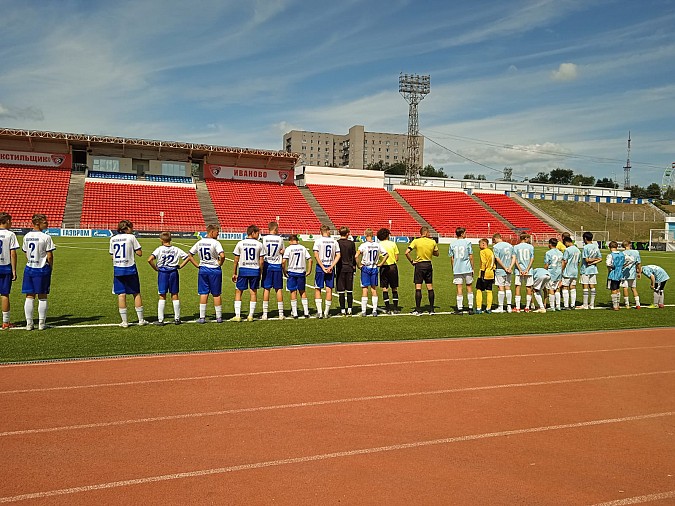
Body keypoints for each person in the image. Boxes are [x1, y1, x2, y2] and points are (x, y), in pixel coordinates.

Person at [147, 231, 190, 325]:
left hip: (163, 273)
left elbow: (149, 259)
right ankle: (177, 319)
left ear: (161, 240)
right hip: (173, 272)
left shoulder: (159, 249)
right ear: (171, 239)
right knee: (175, 294)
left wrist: (155, 268)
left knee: (162, 295)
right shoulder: (176, 249)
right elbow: (188, 257)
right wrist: (180, 266)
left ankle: (160, 320)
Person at [109, 219, 146, 328]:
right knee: (136, 293)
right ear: (127, 228)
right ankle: (141, 320)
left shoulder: (113, 239)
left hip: (118, 269)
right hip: (130, 268)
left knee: (121, 294)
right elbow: (139, 253)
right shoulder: (131, 237)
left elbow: (112, 256)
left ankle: (124, 322)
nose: (133, 229)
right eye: (132, 227)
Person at [188, 224, 225, 323]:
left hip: (203, 269)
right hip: (214, 270)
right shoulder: (215, 243)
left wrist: (197, 265)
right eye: (217, 232)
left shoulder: (200, 242)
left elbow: (190, 255)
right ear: (211, 232)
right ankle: (219, 317)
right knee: (216, 294)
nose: (218, 234)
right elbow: (222, 255)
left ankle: (202, 317)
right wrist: (220, 263)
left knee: (203, 293)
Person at [231, 224, 265, 322]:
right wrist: (261, 272)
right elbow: (261, 261)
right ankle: (250, 315)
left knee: (238, 291)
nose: (259, 235)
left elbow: (236, 260)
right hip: (255, 270)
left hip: (243, 270)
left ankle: (237, 316)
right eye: (258, 233)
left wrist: (234, 272)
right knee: (253, 292)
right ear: (253, 233)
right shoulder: (259, 244)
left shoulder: (240, 243)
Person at [405, 226, 439, 315]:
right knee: (430, 287)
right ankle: (431, 309)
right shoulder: (432, 242)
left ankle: (418, 309)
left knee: (418, 287)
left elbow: (406, 252)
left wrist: (412, 261)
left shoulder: (416, 241)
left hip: (419, 265)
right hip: (428, 264)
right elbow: (437, 254)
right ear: (426, 232)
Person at [355, 228, 388, 316]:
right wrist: (381, 263)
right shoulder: (377, 245)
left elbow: (356, 256)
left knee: (365, 289)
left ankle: (364, 311)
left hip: (365, 268)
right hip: (374, 268)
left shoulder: (363, 245)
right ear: (372, 235)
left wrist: (359, 265)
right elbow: (386, 254)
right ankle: (374, 310)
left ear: (365, 235)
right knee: (374, 289)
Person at [313, 224, 340, 318]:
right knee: (329, 289)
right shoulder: (334, 241)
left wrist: (322, 267)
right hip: (330, 267)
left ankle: (320, 312)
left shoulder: (318, 241)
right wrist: (331, 266)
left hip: (321, 267)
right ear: (328, 231)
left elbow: (316, 255)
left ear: (321, 232)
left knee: (318, 288)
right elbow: (338, 255)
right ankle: (326, 312)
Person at [282, 234, 313, 319]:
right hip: (301, 272)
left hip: (292, 272)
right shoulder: (303, 248)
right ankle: (306, 312)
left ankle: (295, 313)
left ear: (290, 241)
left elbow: (283, 261)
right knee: (302, 291)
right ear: (297, 240)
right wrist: (309, 270)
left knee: (293, 291)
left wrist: (284, 271)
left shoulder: (288, 248)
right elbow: (310, 260)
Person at [261, 222, 285, 320]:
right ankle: (280, 313)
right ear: (275, 229)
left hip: (267, 264)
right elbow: (283, 251)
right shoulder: (280, 239)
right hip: (277, 265)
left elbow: (261, 252)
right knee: (278, 289)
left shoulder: (264, 238)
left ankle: (265, 314)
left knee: (267, 289)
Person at [449, 227, 474, 314]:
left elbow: (452, 258)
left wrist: (453, 268)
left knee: (459, 287)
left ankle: (460, 309)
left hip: (457, 269)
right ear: (462, 234)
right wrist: (472, 268)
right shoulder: (468, 243)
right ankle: (470, 308)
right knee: (469, 287)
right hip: (467, 268)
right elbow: (471, 257)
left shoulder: (452, 244)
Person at [0, 213, 18, 330]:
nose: (11, 223)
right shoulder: (10, 234)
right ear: (6, 221)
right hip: (5, 267)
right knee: (4, 294)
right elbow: (13, 253)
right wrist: (14, 270)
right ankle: (5, 322)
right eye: (10, 221)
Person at [377, 228, 400, 314]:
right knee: (394, 288)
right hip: (392, 267)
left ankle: (387, 308)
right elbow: (397, 257)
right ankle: (396, 308)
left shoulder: (378, 244)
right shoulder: (393, 244)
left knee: (385, 288)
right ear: (387, 235)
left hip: (383, 267)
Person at [491, 233, 515, 313]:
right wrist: (510, 267)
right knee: (508, 287)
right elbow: (513, 257)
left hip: (500, 270)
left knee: (500, 287)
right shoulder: (510, 245)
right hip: (509, 269)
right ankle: (509, 307)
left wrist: (504, 268)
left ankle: (500, 307)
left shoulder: (496, 247)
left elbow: (497, 259)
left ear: (495, 239)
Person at [336, 226, 356, 316]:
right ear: (347, 233)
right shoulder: (351, 243)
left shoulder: (337, 243)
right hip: (349, 267)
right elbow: (354, 256)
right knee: (349, 290)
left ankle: (343, 310)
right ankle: (350, 309)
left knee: (341, 290)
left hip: (340, 268)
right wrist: (354, 266)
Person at [513, 233, 534, 313]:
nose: (529, 239)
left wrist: (520, 269)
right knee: (528, 287)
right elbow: (532, 259)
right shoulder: (530, 247)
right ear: (525, 238)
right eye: (528, 238)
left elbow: (515, 259)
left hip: (519, 270)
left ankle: (518, 307)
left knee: (518, 286)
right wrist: (527, 269)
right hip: (529, 270)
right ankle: (527, 307)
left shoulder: (516, 247)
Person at [580, 232, 602, 309]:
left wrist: (591, 261)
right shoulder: (596, 247)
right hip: (593, 269)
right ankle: (591, 304)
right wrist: (595, 261)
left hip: (585, 269)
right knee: (592, 286)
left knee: (585, 286)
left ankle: (585, 304)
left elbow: (587, 260)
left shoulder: (586, 247)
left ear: (585, 238)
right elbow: (600, 259)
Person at [561, 235, 581, 309]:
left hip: (567, 271)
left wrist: (561, 270)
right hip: (574, 271)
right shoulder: (578, 250)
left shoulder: (567, 250)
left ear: (566, 242)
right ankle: (573, 304)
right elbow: (579, 262)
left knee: (565, 287)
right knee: (573, 287)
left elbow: (564, 261)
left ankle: (566, 305)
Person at [475, 238, 494, 314]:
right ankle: (488, 308)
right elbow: (493, 263)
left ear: (483, 244)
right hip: (491, 273)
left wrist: (482, 274)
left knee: (479, 290)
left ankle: (479, 308)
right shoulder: (491, 251)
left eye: (479, 244)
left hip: (485, 273)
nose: (479, 246)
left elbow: (483, 262)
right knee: (489, 291)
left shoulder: (482, 251)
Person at [544, 238, 564, 311]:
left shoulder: (548, 253)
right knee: (557, 288)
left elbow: (547, 264)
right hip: (558, 272)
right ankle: (558, 305)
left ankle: (552, 306)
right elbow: (562, 263)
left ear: (550, 244)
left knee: (551, 288)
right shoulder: (560, 253)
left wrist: (544, 271)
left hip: (551, 272)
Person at [621, 240, 642, 309]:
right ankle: (638, 304)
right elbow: (638, 263)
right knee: (633, 288)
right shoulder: (636, 252)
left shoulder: (622, 253)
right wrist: (639, 272)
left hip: (624, 273)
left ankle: (627, 304)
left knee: (625, 288)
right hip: (632, 273)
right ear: (630, 245)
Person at [605, 241, 625, 311]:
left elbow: (608, 264)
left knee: (613, 288)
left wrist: (613, 266)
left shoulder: (610, 255)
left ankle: (615, 306)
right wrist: (622, 266)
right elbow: (630, 260)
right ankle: (618, 304)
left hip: (613, 273)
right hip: (620, 273)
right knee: (617, 288)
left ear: (609, 247)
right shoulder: (622, 254)